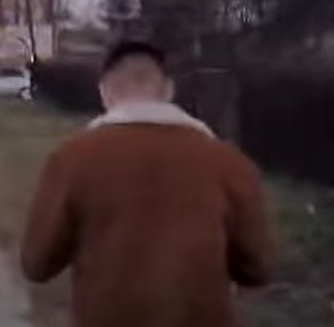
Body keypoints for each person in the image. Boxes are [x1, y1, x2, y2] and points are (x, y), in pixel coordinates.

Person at [21, 41, 273, 327]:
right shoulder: (229, 163)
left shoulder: (71, 159)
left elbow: (36, 263)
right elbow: (258, 268)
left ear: (104, 92)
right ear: (168, 91)